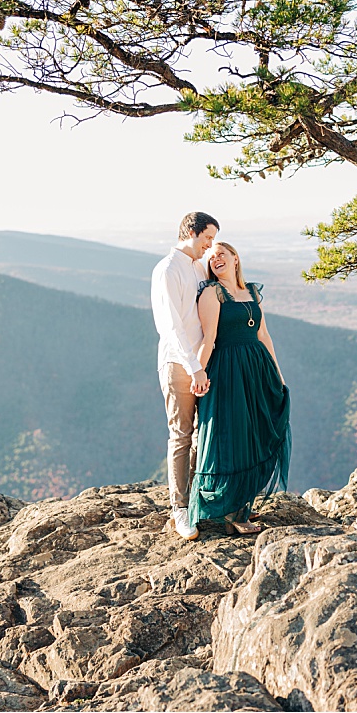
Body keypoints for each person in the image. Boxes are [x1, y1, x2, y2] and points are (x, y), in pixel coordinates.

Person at [187, 241, 291, 535]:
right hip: (228, 370)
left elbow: (264, 335)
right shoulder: (211, 293)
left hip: (256, 369)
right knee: (231, 436)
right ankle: (230, 512)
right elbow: (209, 338)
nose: (215, 258)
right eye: (211, 257)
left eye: (221, 253)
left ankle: (242, 502)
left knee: (252, 433)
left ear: (235, 258)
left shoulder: (252, 293)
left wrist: (278, 376)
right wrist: (198, 372)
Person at [150, 211, 218, 541]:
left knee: (202, 435)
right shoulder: (168, 269)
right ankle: (179, 508)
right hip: (180, 365)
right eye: (207, 238)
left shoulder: (198, 267)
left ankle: (197, 500)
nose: (210, 246)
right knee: (182, 434)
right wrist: (195, 367)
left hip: (203, 362)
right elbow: (171, 326)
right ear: (191, 232)